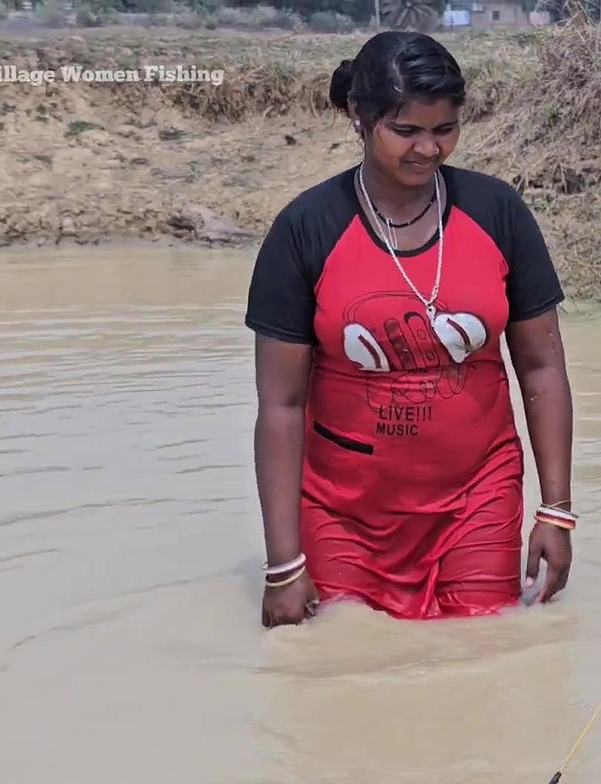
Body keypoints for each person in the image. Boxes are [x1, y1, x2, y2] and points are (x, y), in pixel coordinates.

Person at [244, 31, 577, 627]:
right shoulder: (306, 229)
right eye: (405, 131)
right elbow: (281, 406)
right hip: (343, 512)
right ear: (359, 115)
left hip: (477, 497)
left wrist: (556, 511)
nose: (428, 148)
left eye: (445, 129)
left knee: (487, 653)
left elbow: (542, 366)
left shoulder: (496, 212)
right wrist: (284, 566)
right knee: (339, 660)